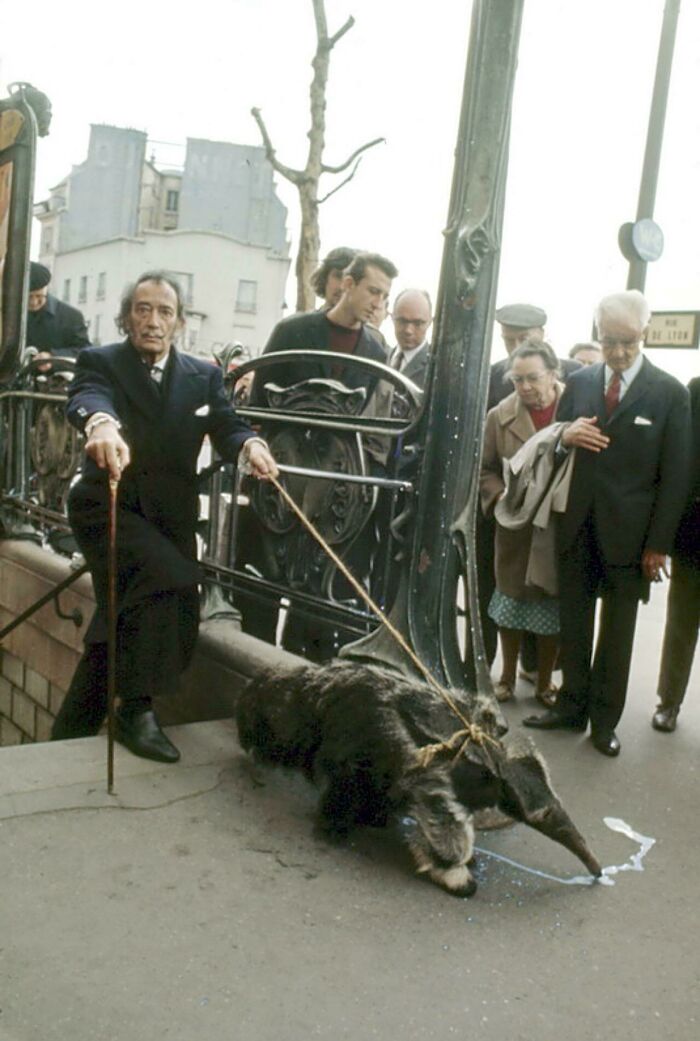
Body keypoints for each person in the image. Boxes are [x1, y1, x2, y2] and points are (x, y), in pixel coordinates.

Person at [51, 271, 277, 763]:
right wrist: (102, 424)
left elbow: (227, 424)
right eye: (143, 310)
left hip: (169, 517)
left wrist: (251, 446)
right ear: (127, 316)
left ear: (178, 322)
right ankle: (135, 710)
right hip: (108, 508)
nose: (153, 322)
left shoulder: (203, 374)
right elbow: (87, 397)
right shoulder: (101, 361)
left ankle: (71, 728)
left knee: (122, 610)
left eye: (164, 312)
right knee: (171, 578)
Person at [524, 290, 691, 757]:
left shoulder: (669, 393)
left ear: (646, 333)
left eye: (628, 342)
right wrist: (564, 437)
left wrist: (658, 544)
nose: (617, 352)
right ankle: (570, 708)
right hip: (576, 525)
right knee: (573, 625)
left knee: (617, 634)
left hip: (632, 539)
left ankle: (604, 721)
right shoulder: (580, 381)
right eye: (608, 340)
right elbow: (550, 444)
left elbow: (676, 477)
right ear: (597, 332)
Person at [480, 341, 564, 706]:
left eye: (533, 378)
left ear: (553, 373)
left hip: (556, 528)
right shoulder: (499, 416)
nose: (526, 387)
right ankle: (507, 678)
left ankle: (545, 683)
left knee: (550, 606)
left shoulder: (574, 407)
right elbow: (483, 469)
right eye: (517, 380)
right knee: (509, 604)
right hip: (514, 529)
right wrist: (499, 497)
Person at [651, 375, 700, 733]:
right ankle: (669, 702)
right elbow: (680, 457)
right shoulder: (695, 390)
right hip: (695, 531)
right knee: (682, 622)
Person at [26, 261, 90, 368]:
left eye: (39, 296)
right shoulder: (7, 315)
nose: (34, 302)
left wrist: (53, 357)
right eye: (29, 297)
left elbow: (84, 351)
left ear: (46, 289)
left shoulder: (71, 316)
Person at [389, 288, 432, 389]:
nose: (408, 330)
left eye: (418, 323)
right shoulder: (381, 356)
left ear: (430, 322)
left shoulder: (435, 368)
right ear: (392, 318)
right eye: (402, 321)